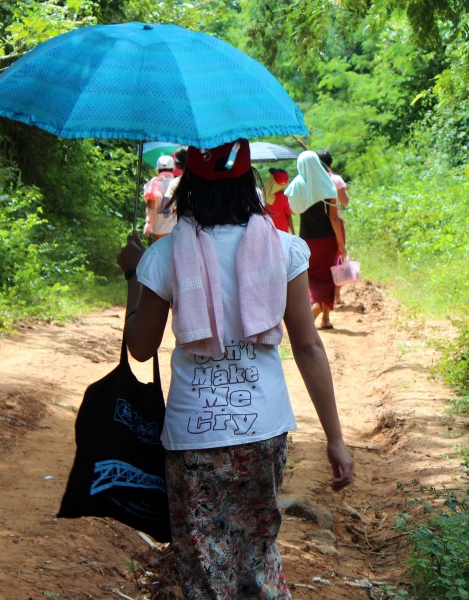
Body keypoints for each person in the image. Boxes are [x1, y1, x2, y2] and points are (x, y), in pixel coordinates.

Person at [117, 138, 354, 599]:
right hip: (263, 435)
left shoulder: (164, 256)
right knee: (257, 559)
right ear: (249, 183)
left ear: (188, 188)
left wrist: (133, 275)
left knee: (205, 569)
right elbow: (308, 346)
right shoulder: (284, 249)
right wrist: (335, 439)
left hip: (193, 440)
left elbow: (140, 348)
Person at [286, 150, 345, 330]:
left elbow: (293, 210)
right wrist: (342, 244)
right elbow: (334, 218)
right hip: (327, 240)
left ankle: (325, 319)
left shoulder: (297, 185)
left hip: (307, 240)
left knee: (311, 277)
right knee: (327, 277)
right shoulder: (328, 184)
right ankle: (318, 312)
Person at [316, 150, 349, 304]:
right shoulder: (335, 179)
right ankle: (335, 296)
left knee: (322, 263)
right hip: (335, 222)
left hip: (316, 226)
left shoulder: (313, 180)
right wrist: (345, 188)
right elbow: (345, 201)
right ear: (330, 163)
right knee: (338, 259)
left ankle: (323, 297)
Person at [143, 154, 177, 242]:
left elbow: (150, 205)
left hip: (157, 231)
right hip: (172, 230)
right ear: (173, 169)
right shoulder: (176, 184)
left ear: (158, 169)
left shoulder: (153, 183)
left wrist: (148, 223)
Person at [264, 168, 294, 233]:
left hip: (269, 232)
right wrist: (293, 233)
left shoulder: (263, 197)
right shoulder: (284, 197)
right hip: (283, 232)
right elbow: (288, 217)